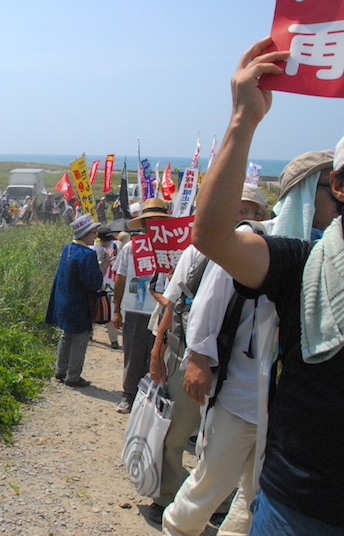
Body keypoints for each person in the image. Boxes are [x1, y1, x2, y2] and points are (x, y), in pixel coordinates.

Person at [191, 38, 344, 534]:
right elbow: (214, 237)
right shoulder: (305, 263)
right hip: (302, 504)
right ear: (338, 186)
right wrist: (243, 119)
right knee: (209, 483)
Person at [151, 184, 269, 531]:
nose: (241, 220)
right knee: (183, 437)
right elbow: (178, 304)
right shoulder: (199, 252)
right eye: (235, 210)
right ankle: (168, 501)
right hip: (200, 365)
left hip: (250, 384)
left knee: (232, 463)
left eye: (248, 212)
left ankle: (215, 509)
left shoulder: (271, 253)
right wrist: (162, 353)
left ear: (262, 217)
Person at [112, 197, 171, 413]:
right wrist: (116, 309)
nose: (154, 223)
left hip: (164, 310)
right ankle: (128, 395)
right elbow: (120, 279)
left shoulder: (173, 247)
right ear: (144, 223)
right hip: (135, 310)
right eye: (150, 220)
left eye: (159, 219)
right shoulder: (131, 247)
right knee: (133, 355)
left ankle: (150, 398)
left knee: (158, 357)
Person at [46, 214, 111, 387]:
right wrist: (104, 266)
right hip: (79, 304)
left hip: (63, 300)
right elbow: (93, 282)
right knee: (80, 338)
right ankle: (73, 376)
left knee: (66, 336)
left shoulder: (67, 248)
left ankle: (60, 370)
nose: (96, 236)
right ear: (85, 234)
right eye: (93, 233)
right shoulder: (88, 255)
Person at [92, 227, 120, 350]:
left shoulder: (117, 247)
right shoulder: (94, 249)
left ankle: (114, 340)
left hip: (112, 282)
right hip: (98, 282)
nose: (108, 243)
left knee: (110, 309)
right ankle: (90, 333)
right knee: (94, 307)